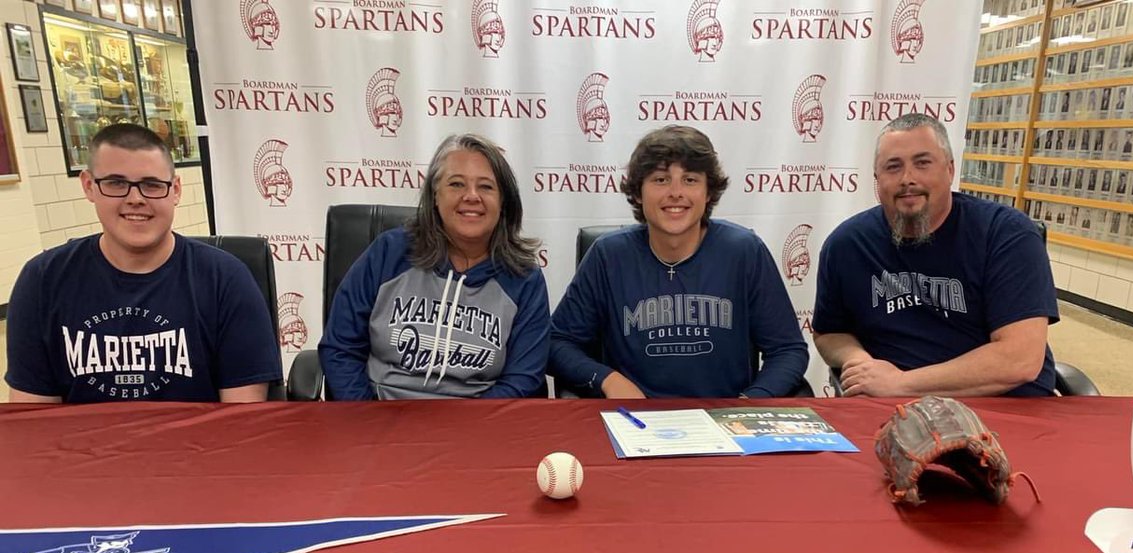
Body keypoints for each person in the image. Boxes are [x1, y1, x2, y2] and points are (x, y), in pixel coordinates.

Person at [5, 123, 280, 403]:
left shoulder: (226, 280)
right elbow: (35, 418)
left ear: (175, 190)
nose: (135, 199)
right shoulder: (42, 280)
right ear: (89, 186)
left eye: (152, 185)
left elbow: (242, 417)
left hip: (200, 434)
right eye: (116, 183)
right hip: (83, 434)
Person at [549, 125, 808, 398]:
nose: (675, 192)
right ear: (638, 192)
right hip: (634, 417)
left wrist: (751, 402)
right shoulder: (608, 256)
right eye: (661, 179)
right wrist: (607, 380)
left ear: (708, 192)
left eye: (690, 179)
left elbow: (788, 350)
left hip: (728, 416)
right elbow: (557, 342)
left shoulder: (745, 252)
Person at [813, 113, 1058, 397]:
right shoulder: (847, 244)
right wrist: (859, 361)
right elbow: (829, 333)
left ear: (950, 170)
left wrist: (900, 384)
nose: (907, 179)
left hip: (1004, 406)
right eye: (893, 167)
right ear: (877, 180)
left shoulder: (1006, 234)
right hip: (893, 411)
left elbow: (1019, 359)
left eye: (922, 163)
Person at [319, 133, 549, 399]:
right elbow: (341, 349)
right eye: (456, 184)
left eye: (486, 187)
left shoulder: (524, 278)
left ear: (504, 202)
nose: (471, 196)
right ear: (435, 196)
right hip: (380, 411)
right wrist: (368, 416)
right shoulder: (388, 254)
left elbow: (522, 379)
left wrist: (471, 423)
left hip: (478, 418)